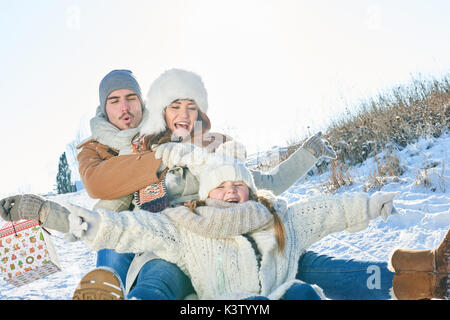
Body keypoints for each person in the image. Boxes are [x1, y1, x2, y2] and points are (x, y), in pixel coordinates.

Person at [0, 68, 337, 299]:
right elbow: (106, 203)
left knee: (300, 264)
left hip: (215, 235)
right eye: (113, 100)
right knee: (144, 265)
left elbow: (264, 182)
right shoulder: (121, 150)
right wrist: (45, 211)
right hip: (159, 235)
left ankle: (382, 280)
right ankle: (109, 285)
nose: (124, 107)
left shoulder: (205, 148)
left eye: (130, 98)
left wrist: (308, 153)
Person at [65, 157, 449, 300]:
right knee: (158, 280)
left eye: (239, 185)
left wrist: (365, 206)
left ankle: (426, 278)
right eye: (222, 186)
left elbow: (322, 211)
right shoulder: (187, 222)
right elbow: (136, 228)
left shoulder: (276, 215)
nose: (232, 192)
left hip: (276, 287)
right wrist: (93, 224)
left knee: (306, 285)